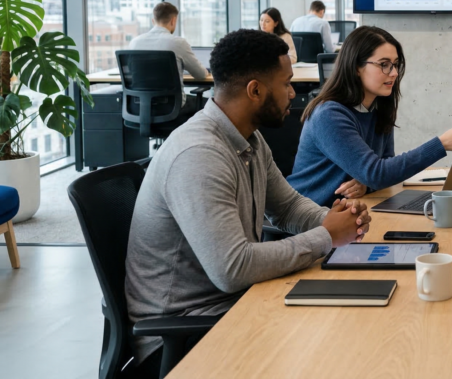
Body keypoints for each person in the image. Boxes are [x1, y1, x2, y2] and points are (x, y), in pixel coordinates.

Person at [125, 29, 371, 373]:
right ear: (255, 90)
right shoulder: (199, 155)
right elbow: (233, 268)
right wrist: (327, 236)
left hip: (233, 306)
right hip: (186, 336)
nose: (293, 93)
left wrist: (336, 220)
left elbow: (286, 207)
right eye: (286, 83)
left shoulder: (248, 139)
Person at [288, 26, 452, 206]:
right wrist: (441, 144)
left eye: (395, 64)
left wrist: (366, 185)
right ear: (356, 67)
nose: (394, 73)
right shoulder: (329, 115)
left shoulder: (379, 106)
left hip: (349, 209)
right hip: (311, 216)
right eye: (384, 64)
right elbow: (377, 173)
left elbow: (384, 164)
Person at [129, 1, 208, 109]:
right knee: (209, 105)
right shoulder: (178, 43)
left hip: (140, 106)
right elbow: (201, 75)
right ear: (173, 20)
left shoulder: (134, 43)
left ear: (153, 21)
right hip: (171, 107)